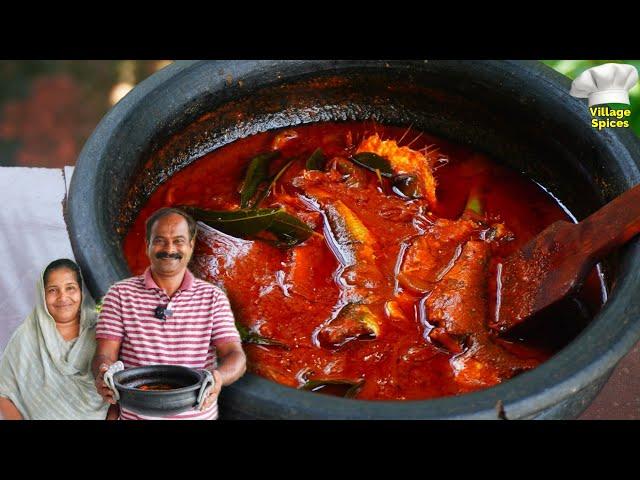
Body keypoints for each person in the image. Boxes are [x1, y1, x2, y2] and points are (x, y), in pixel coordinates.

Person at [93, 207, 246, 420]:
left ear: (191, 246)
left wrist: (219, 377)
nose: (169, 248)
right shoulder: (119, 294)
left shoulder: (213, 297)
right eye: (160, 240)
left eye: (179, 240)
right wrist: (103, 373)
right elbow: (104, 354)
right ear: (147, 245)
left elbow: (235, 355)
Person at [0, 259, 111, 420]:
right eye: (53, 290)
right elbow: (3, 392)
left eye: (70, 288)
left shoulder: (104, 331)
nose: (62, 297)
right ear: (42, 294)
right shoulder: (26, 336)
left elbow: (119, 392)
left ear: (81, 291)